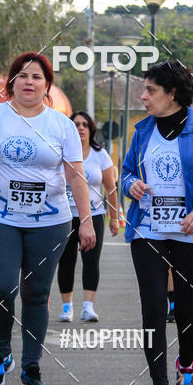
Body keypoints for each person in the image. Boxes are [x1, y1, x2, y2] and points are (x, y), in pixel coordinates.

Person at [0, 52, 95, 385]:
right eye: (23, 76)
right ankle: (1, 355)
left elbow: (76, 177)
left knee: (36, 293)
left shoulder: (61, 125)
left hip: (50, 223)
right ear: (11, 82)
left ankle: (31, 365)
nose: (29, 81)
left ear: (47, 86)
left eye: (37, 77)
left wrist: (85, 221)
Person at [121, 60, 193, 385]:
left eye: (151, 90)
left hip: (189, 234)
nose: (143, 96)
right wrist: (131, 185)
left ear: (173, 94)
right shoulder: (142, 132)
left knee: (187, 311)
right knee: (154, 308)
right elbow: (125, 173)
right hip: (148, 230)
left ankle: (185, 365)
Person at [57, 111, 119, 322]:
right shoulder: (60, 152)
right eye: (75, 125)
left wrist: (114, 217)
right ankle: (67, 308)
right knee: (66, 261)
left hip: (93, 216)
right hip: (64, 216)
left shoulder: (99, 154)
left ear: (91, 129)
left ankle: (88, 307)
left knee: (91, 261)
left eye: (84, 125)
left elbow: (110, 188)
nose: (80, 128)